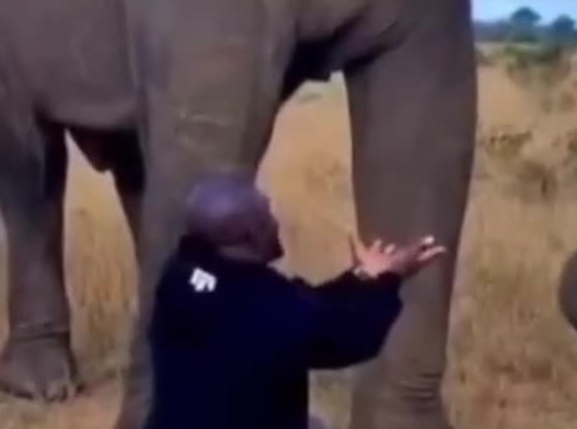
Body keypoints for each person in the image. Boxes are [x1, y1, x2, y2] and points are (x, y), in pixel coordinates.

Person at [144, 173, 446, 429]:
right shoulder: (261, 303)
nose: (276, 223)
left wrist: (363, 277)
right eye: (268, 216)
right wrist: (389, 279)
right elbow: (349, 335)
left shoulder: (181, 274)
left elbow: (307, 312)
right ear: (250, 234)